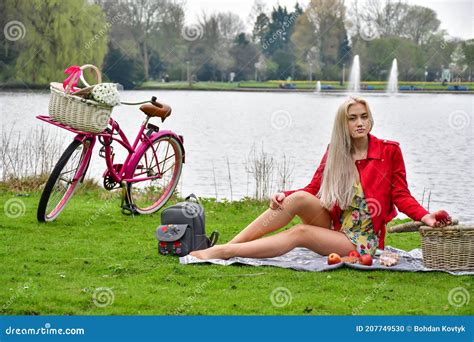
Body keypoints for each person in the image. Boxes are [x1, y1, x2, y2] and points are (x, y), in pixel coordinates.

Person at [190, 96, 452, 260]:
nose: (360, 122)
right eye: (352, 118)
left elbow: (401, 195)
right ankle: (231, 246)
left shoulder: (389, 150)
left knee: (300, 232)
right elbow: (313, 189)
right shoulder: (337, 151)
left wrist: (425, 216)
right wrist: (284, 196)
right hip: (336, 227)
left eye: (364, 116)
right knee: (299, 199)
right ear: (343, 124)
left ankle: (226, 252)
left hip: (362, 241)